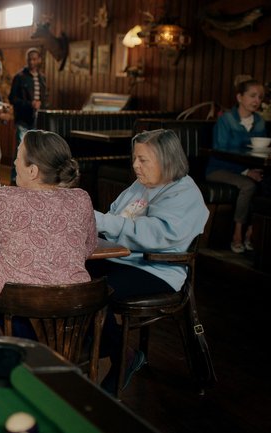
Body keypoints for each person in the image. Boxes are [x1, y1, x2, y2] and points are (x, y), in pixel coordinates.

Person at [88, 129, 209, 395]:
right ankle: (91, 353)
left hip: (159, 269)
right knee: (70, 276)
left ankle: (119, 358)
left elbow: (154, 234)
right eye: (134, 159)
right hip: (122, 259)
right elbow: (114, 216)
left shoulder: (184, 194)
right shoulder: (140, 186)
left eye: (143, 160)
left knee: (92, 292)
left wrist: (104, 222)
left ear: (167, 160)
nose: (135, 166)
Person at [0, 129, 98, 301]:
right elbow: (89, 247)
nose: (14, 162)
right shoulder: (81, 198)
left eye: (18, 157)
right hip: (74, 314)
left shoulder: (5, 198)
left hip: (17, 317)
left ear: (33, 171)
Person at [205, 75, 266, 253]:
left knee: (268, 183)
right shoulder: (226, 120)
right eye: (252, 95)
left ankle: (251, 231)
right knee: (248, 185)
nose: (257, 100)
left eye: (260, 97)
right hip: (219, 169)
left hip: (247, 169)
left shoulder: (260, 121)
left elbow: (259, 151)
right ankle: (237, 234)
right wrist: (246, 171)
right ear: (240, 97)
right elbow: (220, 151)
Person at [9, 47, 47, 184]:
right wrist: (30, 103)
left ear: (39, 60)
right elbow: (12, 98)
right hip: (23, 119)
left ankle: (31, 180)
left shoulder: (42, 78)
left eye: (34, 59)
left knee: (35, 151)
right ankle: (15, 180)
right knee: (21, 149)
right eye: (29, 59)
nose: (32, 61)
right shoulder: (19, 77)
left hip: (37, 120)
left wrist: (42, 105)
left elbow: (45, 97)